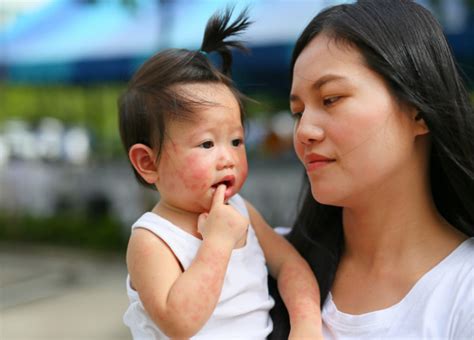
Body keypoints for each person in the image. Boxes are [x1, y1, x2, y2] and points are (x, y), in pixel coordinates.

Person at [269, 0, 474, 339]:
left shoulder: (463, 292)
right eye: (298, 112)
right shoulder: (264, 264)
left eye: (331, 99)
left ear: (417, 110)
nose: (304, 131)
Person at [118, 8, 322, 340]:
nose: (227, 157)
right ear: (148, 163)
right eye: (207, 143)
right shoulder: (153, 240)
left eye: (237, 140)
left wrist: (306, 324)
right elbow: (179, 322)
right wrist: (218, 241)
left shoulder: (240, 209)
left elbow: (290, 266)